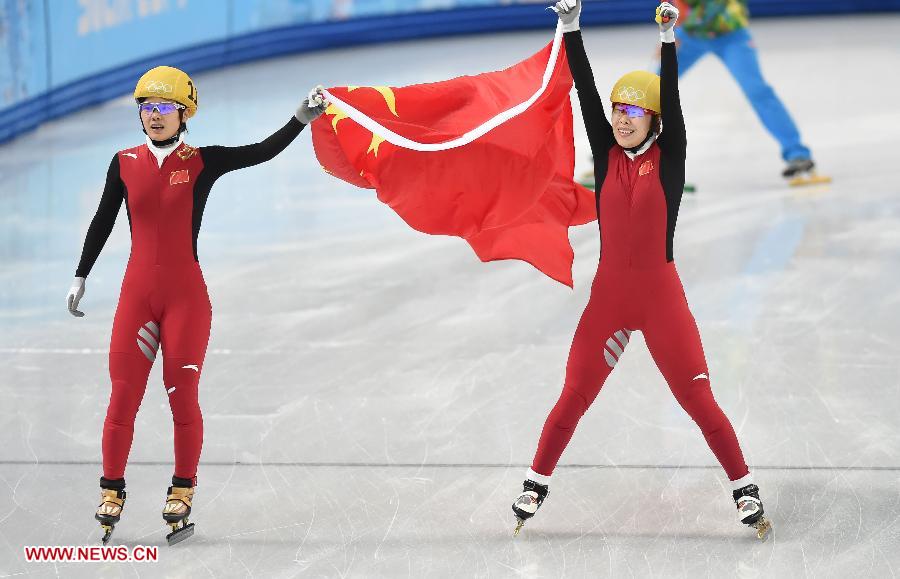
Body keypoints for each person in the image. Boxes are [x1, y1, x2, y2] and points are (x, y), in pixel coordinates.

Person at [510, 0, 771, 539]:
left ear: (652, 118)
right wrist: (570, 26)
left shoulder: (669, 157)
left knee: (698, 398)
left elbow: (672, 101)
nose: (621, 118)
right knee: (572, 395)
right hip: (609, 299)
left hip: (660, 298)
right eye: (617, 111)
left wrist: (670, 40)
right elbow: (583, 87)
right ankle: (537, 480)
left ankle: (744, 486)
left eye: (632, 111)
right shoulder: (606, 154)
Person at [66, 66, 327, 545]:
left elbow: (259, 152)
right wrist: (81, 275)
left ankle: (182, 489)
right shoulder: (122, 162)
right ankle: (111, 490)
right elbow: (103, 219)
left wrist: (300, 118)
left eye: (164, 107)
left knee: (179, 396)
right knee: (122, 396)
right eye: (147, 107)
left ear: (185, 114)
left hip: (186, 301)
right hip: (136, 300)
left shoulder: (203, 161)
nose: (154, 116)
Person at [674, 0, 822, 183]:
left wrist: (676, 29)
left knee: (757, 91)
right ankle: (637, 155)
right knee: (652, 87)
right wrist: (668, 35)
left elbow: (713, 5)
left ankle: (797, 154)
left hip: (731, 35)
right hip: (690, 37)